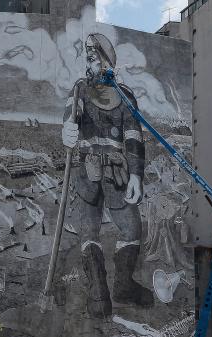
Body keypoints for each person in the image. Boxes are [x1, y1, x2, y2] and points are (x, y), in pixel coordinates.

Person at [60, 32, 152, 314]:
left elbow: (134, 135)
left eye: (95, 51)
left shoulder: (125, 96)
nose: (89, 54)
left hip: (115, 170)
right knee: (89, 229)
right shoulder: (78, 91)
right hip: (88, 168)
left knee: (130, 228)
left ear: (107, 58)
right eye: (87, 51)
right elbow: (69, 123)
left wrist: (136, 174)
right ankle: (99, 295)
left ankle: (121, 287)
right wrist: (67, 132)